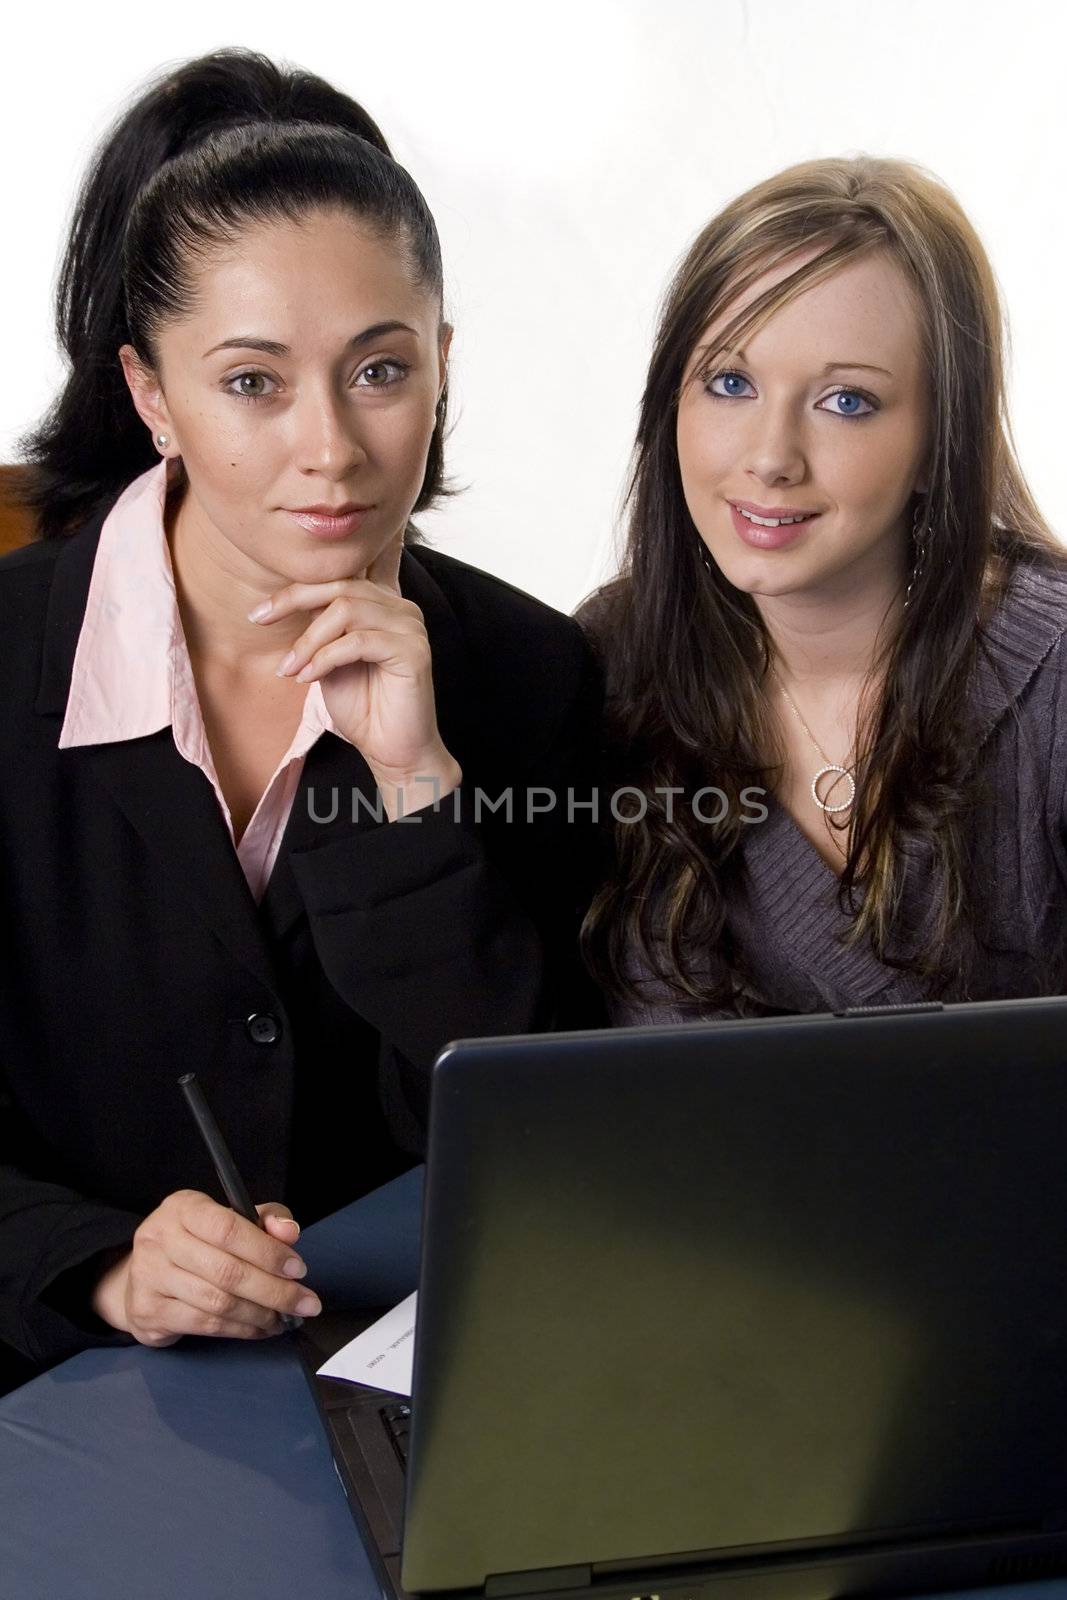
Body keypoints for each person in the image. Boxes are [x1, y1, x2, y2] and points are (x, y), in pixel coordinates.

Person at [0, 49, 600, 1393]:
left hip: (401, 1387)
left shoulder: (526, 673)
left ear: (440, 367)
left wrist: (413, 790)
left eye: (377, 371)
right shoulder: (12, 654)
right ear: (152, 393)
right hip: (52, 1399)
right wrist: (97, 1260)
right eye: (251, 383)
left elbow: (538, 1140)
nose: (327, 448)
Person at [578, 156, 1067, 1025]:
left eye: (846, 401)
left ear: (939, 442)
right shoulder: (616, 657)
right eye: (729, 383)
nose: (769, 457)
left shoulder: (1054, 676)